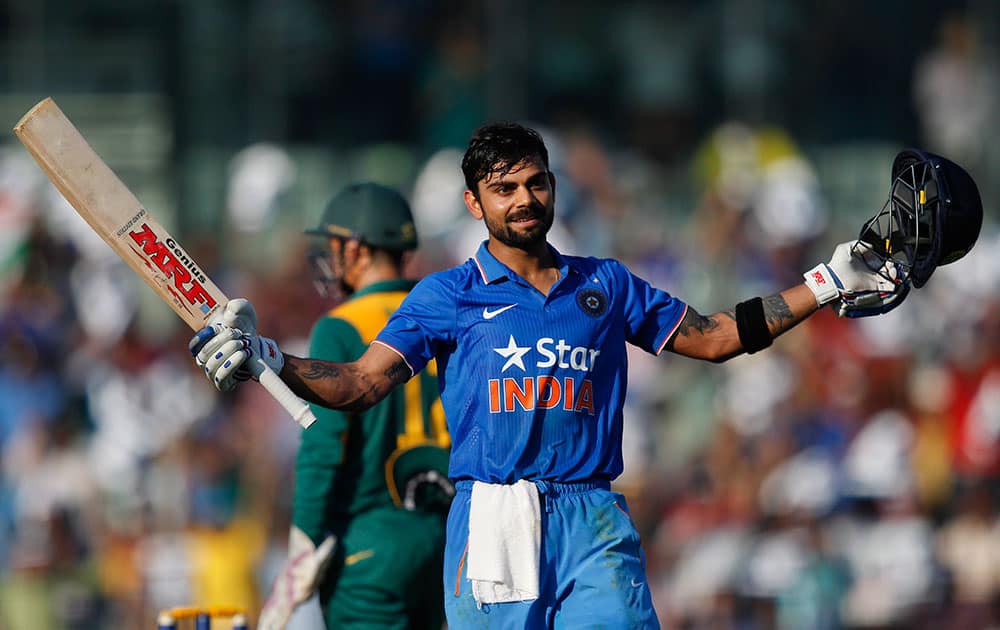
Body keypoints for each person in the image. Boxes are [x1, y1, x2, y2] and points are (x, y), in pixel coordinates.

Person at [191, 123, 910, 628]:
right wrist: (270, 359)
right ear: (475, 204)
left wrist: (825, 282)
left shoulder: (607, 283)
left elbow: (718, 338)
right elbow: (358, 384)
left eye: (535, 183)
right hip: (493, 515)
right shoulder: (445, 295)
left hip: (592, 515)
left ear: (553, 187)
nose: (524, 199)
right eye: (504, 188)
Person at [254, 183, 452, 629]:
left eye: (336, 246)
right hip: (448, 541)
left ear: (357, 248)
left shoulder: (341, 326)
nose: (330, 257)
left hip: (368, 545)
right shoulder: (444, 313)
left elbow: (323, 447)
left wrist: (303, 543)